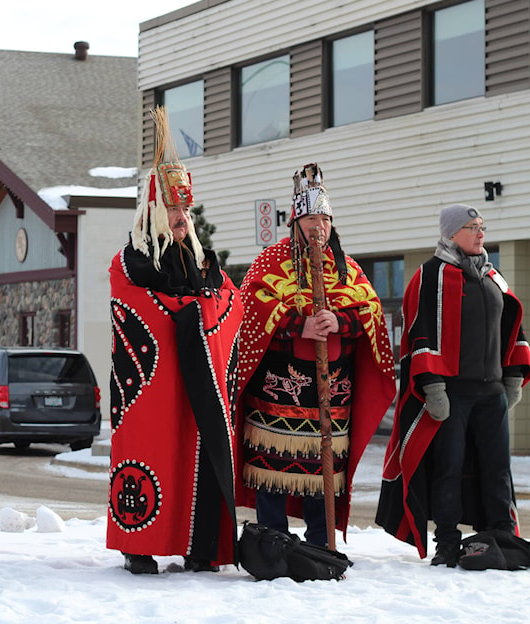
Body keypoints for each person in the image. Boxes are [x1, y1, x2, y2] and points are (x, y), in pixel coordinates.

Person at [107, 107, 243, 575]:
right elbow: (136, 304)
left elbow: (230, 299)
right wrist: (192, 314)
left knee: (198, 458)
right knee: (154, 454)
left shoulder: (202, 260)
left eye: (185, 210)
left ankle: (200, 544)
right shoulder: (132, 261)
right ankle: (140, 545)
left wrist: (204, 313)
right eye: (173, 210)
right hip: (152, 387)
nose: (181, 218)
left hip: (198, 385)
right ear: (153, 212)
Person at [235, 163, 395, 546]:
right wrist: (297, 324)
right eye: (310, 218)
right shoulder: (270, 261)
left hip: (331, 396)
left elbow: (371, 312)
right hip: (277, 393)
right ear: (295, 222)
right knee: (273, 473)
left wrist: (340, 322)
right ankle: (272, 543)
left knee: (322, 476)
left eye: (325, 218)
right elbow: (250, 308)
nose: (318, 226)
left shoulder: (347, 269)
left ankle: (321, 544)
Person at [376, 204, 530, 566]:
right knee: (448, 468)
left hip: (491, 393)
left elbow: (511, 323)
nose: (481, 233)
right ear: (451, 234)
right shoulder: (429, 275)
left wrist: (512, 375)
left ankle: (501, 536)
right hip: (451, 394)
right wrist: (432, 386)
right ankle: (447, 540)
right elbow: (420, 331)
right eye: (472, 227)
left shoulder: (492, 275)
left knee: (497, 469)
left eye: (482, 226)